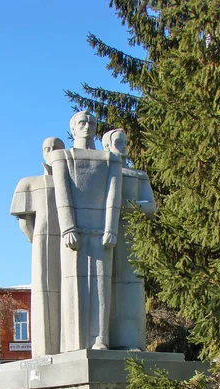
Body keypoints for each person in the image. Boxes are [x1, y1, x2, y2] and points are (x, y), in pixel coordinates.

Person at [49, 112, 123, 351]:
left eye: (91, 122)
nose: (88, 126)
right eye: (82, 122)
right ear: (73, 128)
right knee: (74, 287)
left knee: (101, 287)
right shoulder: (63, 157)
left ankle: (100, 339)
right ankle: (75, 341)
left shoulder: (110, 159)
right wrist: (68, 227)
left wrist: (110, 228)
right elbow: (62, 193)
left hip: (101, 231)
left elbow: (114, 195)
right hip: (75, 233)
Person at [10, 137, 65, 357]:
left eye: (56, 148)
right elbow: (24, 220)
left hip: (72, 242)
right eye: (47, 149)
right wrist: (36, 240)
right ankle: (45, 350)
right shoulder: (29, 182)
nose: (51, 152)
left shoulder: (73, 183)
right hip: (43, 240)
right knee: (44, 291)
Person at [102, 129, 156, 350]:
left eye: (125, 142)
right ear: (107, 146)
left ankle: (131, 342)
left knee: (131, 289)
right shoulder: (102, 175)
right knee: (106, 289)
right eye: (117, 142)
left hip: (131, 235)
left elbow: (151, 206)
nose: (123, 146)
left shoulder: (137, 175)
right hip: (105, 236)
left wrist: (129, 207)